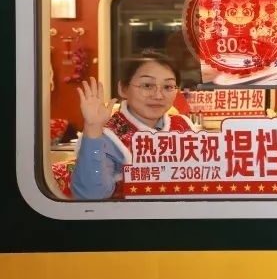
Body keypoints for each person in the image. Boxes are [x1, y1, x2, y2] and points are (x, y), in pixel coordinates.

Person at [65, 50, 195, 200]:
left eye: (168, 87)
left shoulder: (183, 126)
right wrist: (93, 128)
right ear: (123, 89)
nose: (158, 95)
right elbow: (90, 196)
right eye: (147, 85)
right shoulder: (108, 136)